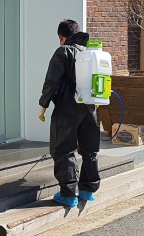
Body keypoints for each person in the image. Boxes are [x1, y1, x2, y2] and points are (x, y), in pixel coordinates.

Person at [38, 19, 101, 209]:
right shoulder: (90, 53)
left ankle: (67, 195)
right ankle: (87, 190)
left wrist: (43, 105)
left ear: (62, 37)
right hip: (90, 108)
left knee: (64, 149)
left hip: (67, 109)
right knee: (89, 149)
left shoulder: (63, 51)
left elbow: (52, 82)